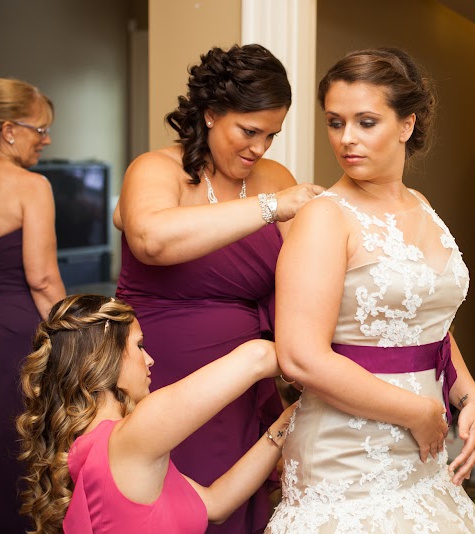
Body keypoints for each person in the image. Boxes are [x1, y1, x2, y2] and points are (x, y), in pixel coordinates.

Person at [267, 48, 475, 533]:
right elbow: (299, 357)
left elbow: (423, 318)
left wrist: (467, 391)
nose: (346, 138)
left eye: (365, 122)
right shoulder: (325, 218)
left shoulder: (422, 205)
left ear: (407, 124)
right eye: (335, 122)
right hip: (348, 454)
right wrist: (416, 411)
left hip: (422, 449)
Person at [113, 43, 322, 532]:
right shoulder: (156, 170)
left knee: (232, 509)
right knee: (170, 511)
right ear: (210, 113)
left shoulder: (274, 176)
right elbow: (151, 240)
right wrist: (272, 207)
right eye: (249, 131)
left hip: (243, 384)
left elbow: (308, 275)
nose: (260, 148)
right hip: (161, 377)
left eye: (271, 135)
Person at [16, 294, 295, 534]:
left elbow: (216, 504)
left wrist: (285, 423)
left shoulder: (96, 449)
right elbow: (257, 357)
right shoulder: (130, 437)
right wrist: (309, 358)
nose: (149, 360)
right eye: (139, 345)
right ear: (104, 355)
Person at [0, 77, 66, 534]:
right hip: (14, 335)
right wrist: (79, 335)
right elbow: (43, 279)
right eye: (39, 130)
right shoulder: (31, 185)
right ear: (9, 130)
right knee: (20, 449)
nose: (46, 140)